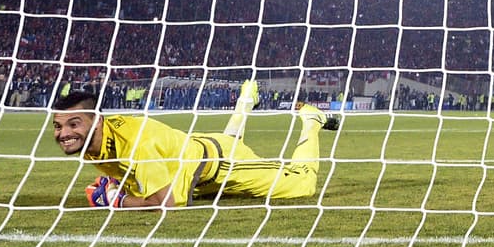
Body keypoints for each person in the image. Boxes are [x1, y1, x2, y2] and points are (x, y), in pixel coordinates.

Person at [51, 80, 340, 208]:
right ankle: (246, 99)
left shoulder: (136, 142)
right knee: (229, 141)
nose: (63, 133)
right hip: (192, 157)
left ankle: (311, 120)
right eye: (58, 126)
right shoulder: (97, 139)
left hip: (220, 165)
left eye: (73, 124)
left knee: (302, 185)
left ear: (97, 121)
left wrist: (115, 199)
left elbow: (166, 203)